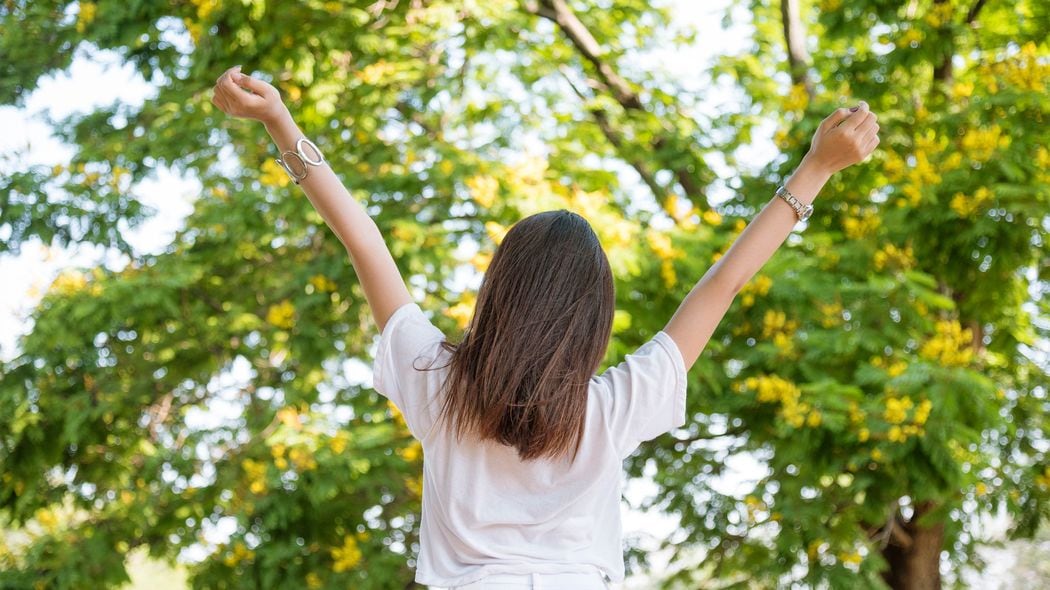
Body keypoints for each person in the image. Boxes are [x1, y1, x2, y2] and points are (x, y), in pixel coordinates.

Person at [211, 65, 879, 589]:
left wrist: (278, 119)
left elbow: (364, 241)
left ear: (498, 292)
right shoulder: (613, 406)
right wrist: (816, 167)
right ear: (591, 319)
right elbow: (722, 285)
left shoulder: (436, 382)